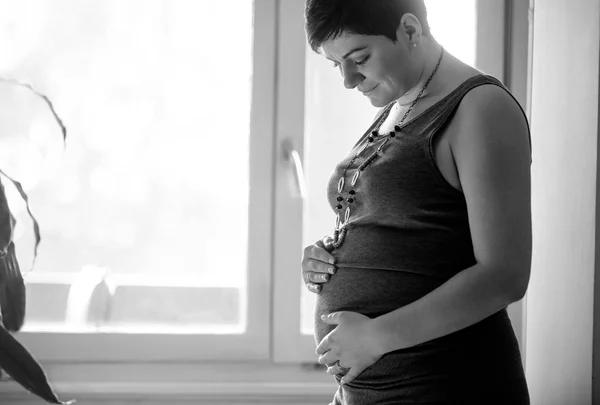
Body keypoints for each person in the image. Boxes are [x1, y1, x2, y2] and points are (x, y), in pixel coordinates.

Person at [300, 0, 532, 404]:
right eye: (337, 64)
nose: (349, 81)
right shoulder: (399, 104)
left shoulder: (480, 108)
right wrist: (329, 255)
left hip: (447, 386)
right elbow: (409, 225)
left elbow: (505, 274)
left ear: (409, 30)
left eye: (360, 58)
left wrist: (375, 336)